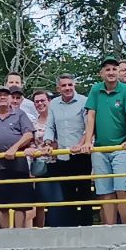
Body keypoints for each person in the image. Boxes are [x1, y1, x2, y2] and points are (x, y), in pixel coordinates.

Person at [82, 57, 126, 225]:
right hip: (99, 148)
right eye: (107, 69)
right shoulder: (95, 90)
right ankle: (110, 229)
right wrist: (87, 141)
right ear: (101, 73)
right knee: (105, 192)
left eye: (114, 69)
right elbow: (91, 115)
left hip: (121, 146)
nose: (111, 72)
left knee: (122, 189)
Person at [0, 85, 36, 228]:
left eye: (6, 94)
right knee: (0, 203)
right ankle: (5, 233)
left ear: (11, 98)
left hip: (18, 161)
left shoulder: (20, 114)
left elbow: (29, 133)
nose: (3, 97)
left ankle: (18, 232)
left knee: (20, 202)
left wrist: (14, 148)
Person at [42, 73, 91, 227]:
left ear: (74, 85)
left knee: (84, 192)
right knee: (67, 194)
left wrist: (81, 144)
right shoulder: (54, 104)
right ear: (58, 88)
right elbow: (50, 125)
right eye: (64, 85)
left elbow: (88, 127)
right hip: (62, 155)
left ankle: (86, 227)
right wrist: (48, 142)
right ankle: (70, 229)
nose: (67, 88)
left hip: (81, 154)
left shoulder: (84, 101)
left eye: (70, 85)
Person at [30, 89, 59, 227]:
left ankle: (56, 226)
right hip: (39, 165)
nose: (40, 103)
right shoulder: (32, 123)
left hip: (57, 162)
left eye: (43, 100)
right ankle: (40, 228)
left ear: (49, 101)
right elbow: (30, 142)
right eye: (37, 101)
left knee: (56, 198)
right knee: (40, 199)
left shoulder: (57, 119)